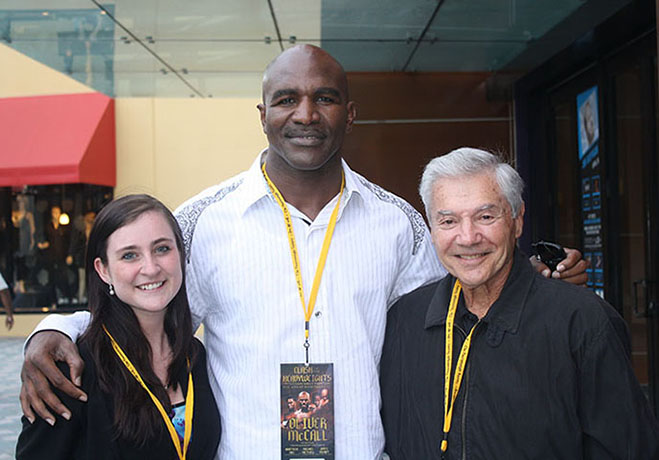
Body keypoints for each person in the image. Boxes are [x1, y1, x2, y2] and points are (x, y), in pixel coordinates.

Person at [19, 45, 587, 459]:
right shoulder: (199, 222)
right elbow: (138, 298)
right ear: (262, 115)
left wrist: (533, 282)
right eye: (286, 99)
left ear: (351, 113)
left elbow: (461, 310)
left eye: (326, 98)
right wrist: (55, 329)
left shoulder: (401, 224)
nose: (307, 115)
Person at [380, 147, 659, 459]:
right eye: (448, 221)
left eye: (486, 217)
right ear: (431, 229)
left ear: (517, 221)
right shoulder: (404, 321)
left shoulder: (581, 321)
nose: (468, 237)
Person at [16, 194, 220, 459]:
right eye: (129, 255)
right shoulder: (72, 370)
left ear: (180, 254)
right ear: (103, 270)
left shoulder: (195, 356)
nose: (150, 267)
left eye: (162, 249)